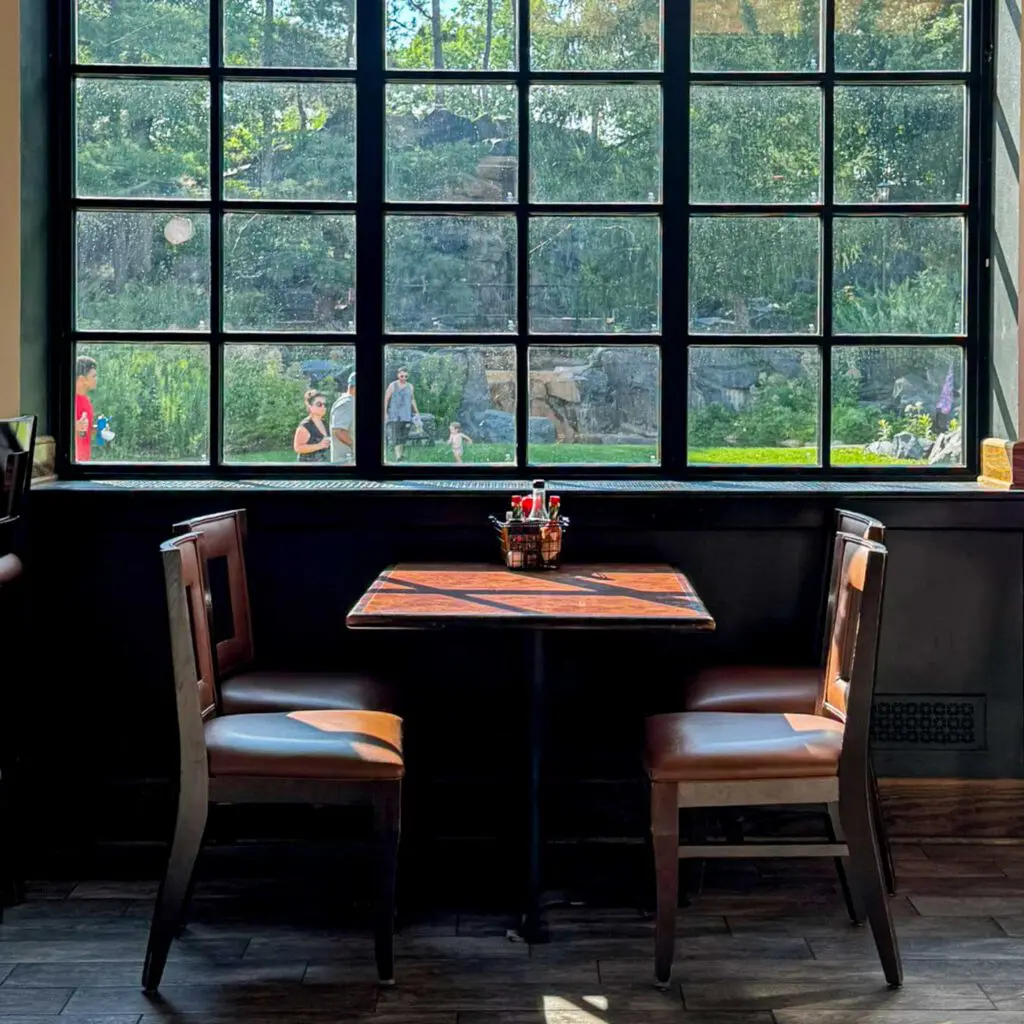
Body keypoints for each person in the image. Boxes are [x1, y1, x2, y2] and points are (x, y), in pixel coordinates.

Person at [384, 366, 419, 462]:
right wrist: (385, 413)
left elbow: (412, 399)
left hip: (406, 415)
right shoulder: (393, 385)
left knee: (404, 436)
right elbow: (386, 398)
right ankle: (398, 456)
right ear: (398, 375)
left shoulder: (410, 386)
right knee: (396, 435)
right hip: (395, 415)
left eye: (406, 376)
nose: (403, 378)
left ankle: (401, 455)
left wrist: (417, 412)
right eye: (402, 375)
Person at [293, 389, 331, 463]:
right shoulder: (305, 426)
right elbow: (297, 448)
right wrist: (319, 445)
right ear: (309, 406)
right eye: (319, 404)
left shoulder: (324, 423)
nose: (323, 407)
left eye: (324, 404)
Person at [74, 356, 98, 463]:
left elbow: (83, 430)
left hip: (84, 461)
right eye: (93, 376)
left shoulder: (86, 400)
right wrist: (75, 426)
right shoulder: (70, 401)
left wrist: (97, 429)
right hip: (75, 462)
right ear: (82, 379)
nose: (96, 379)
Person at [330, 372, 356, 464]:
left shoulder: (352, 401)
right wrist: (356, 447)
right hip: (345, 462)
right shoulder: (346, 403)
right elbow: (339, 431)